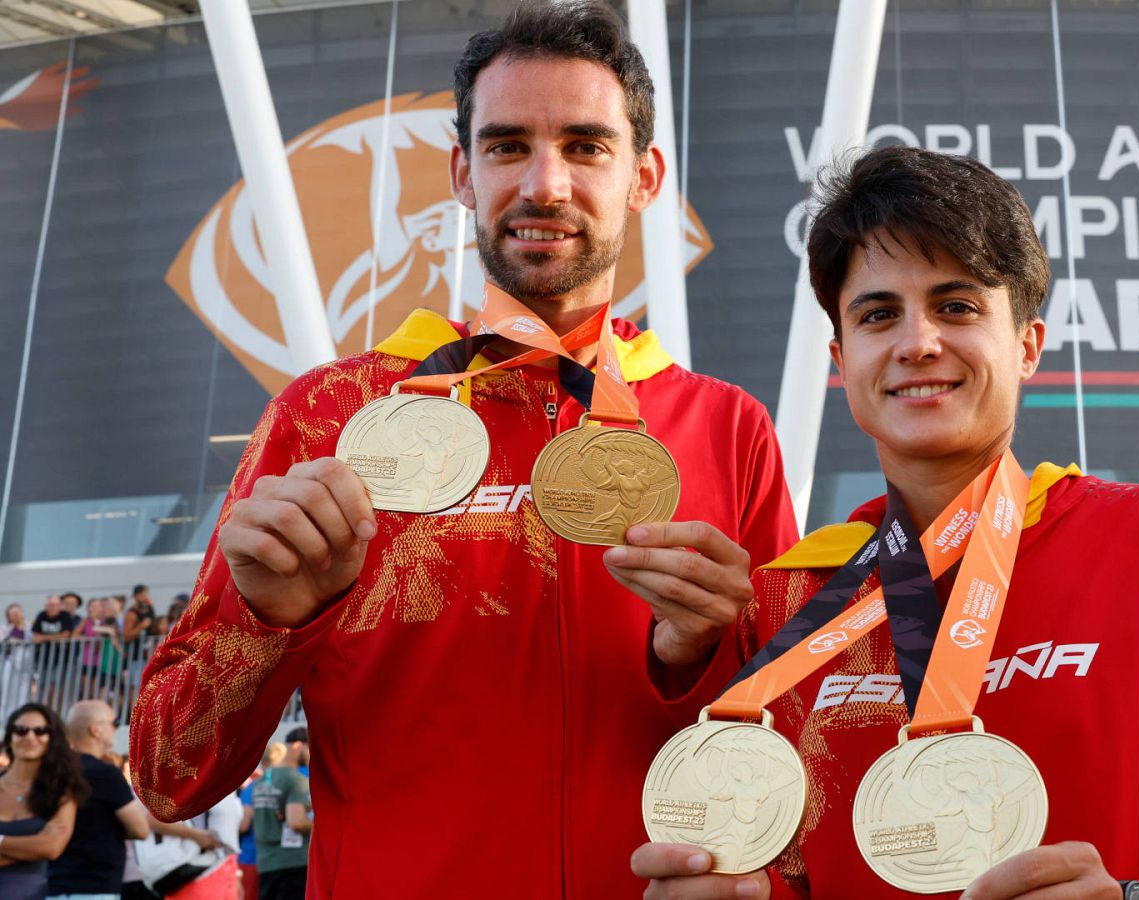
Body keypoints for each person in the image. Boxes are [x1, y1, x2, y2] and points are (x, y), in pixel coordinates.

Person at [129, 3, 797, 897]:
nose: (545, 184)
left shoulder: (729, 429)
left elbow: (795, 753)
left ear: (645, 178)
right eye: (509, 145)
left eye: (587, 146)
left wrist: (705, 658)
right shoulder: (329, 415)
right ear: (462, 172)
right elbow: (170, 775)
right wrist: (268, 628)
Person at [632, 147, 1139, 899]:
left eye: (957, 306)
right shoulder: (790, 601)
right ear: (841, 361)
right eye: (879, 315)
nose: (917, 342)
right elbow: (790, 876)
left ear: (1027, 347)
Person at [47, 701, 150, 899]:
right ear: (96, 729)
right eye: (114, 722)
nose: (117, 728)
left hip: (56, 884)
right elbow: (140, 829)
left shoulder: (56, 771)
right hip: (95, 886)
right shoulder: (105, 773)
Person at [0, 704, 87, 900]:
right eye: (21, 730)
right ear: (10, 738)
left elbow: (51, 848)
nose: (30, 737)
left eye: (40, 731)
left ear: (52, 739)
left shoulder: (62, 792)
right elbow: (42, 846)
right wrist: (30, 848)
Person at [249, 730, 309, 900]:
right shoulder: (296, 780)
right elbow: (296, 822)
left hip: (266, 862)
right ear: (297, 746)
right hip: (293, 862)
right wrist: (317, 825)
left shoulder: (260, 782)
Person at [236, 743, 285, 900]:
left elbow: (244, 825)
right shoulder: (288, 785)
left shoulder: (251, 788)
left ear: (263, 763)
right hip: (281, 860)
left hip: (251, 857)